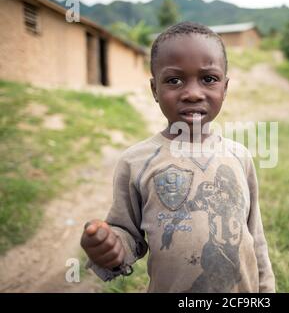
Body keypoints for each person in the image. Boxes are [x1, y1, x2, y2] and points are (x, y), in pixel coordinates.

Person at [80, 21, 275, 293]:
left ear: (225, 88)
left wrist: (266, 290)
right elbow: (128, 236)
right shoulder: (136, 162)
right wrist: (111, 246)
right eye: (174, 80)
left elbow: (255, 238)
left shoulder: (239, 156)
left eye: (208, 79)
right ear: (154, 90)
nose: (193, 93)